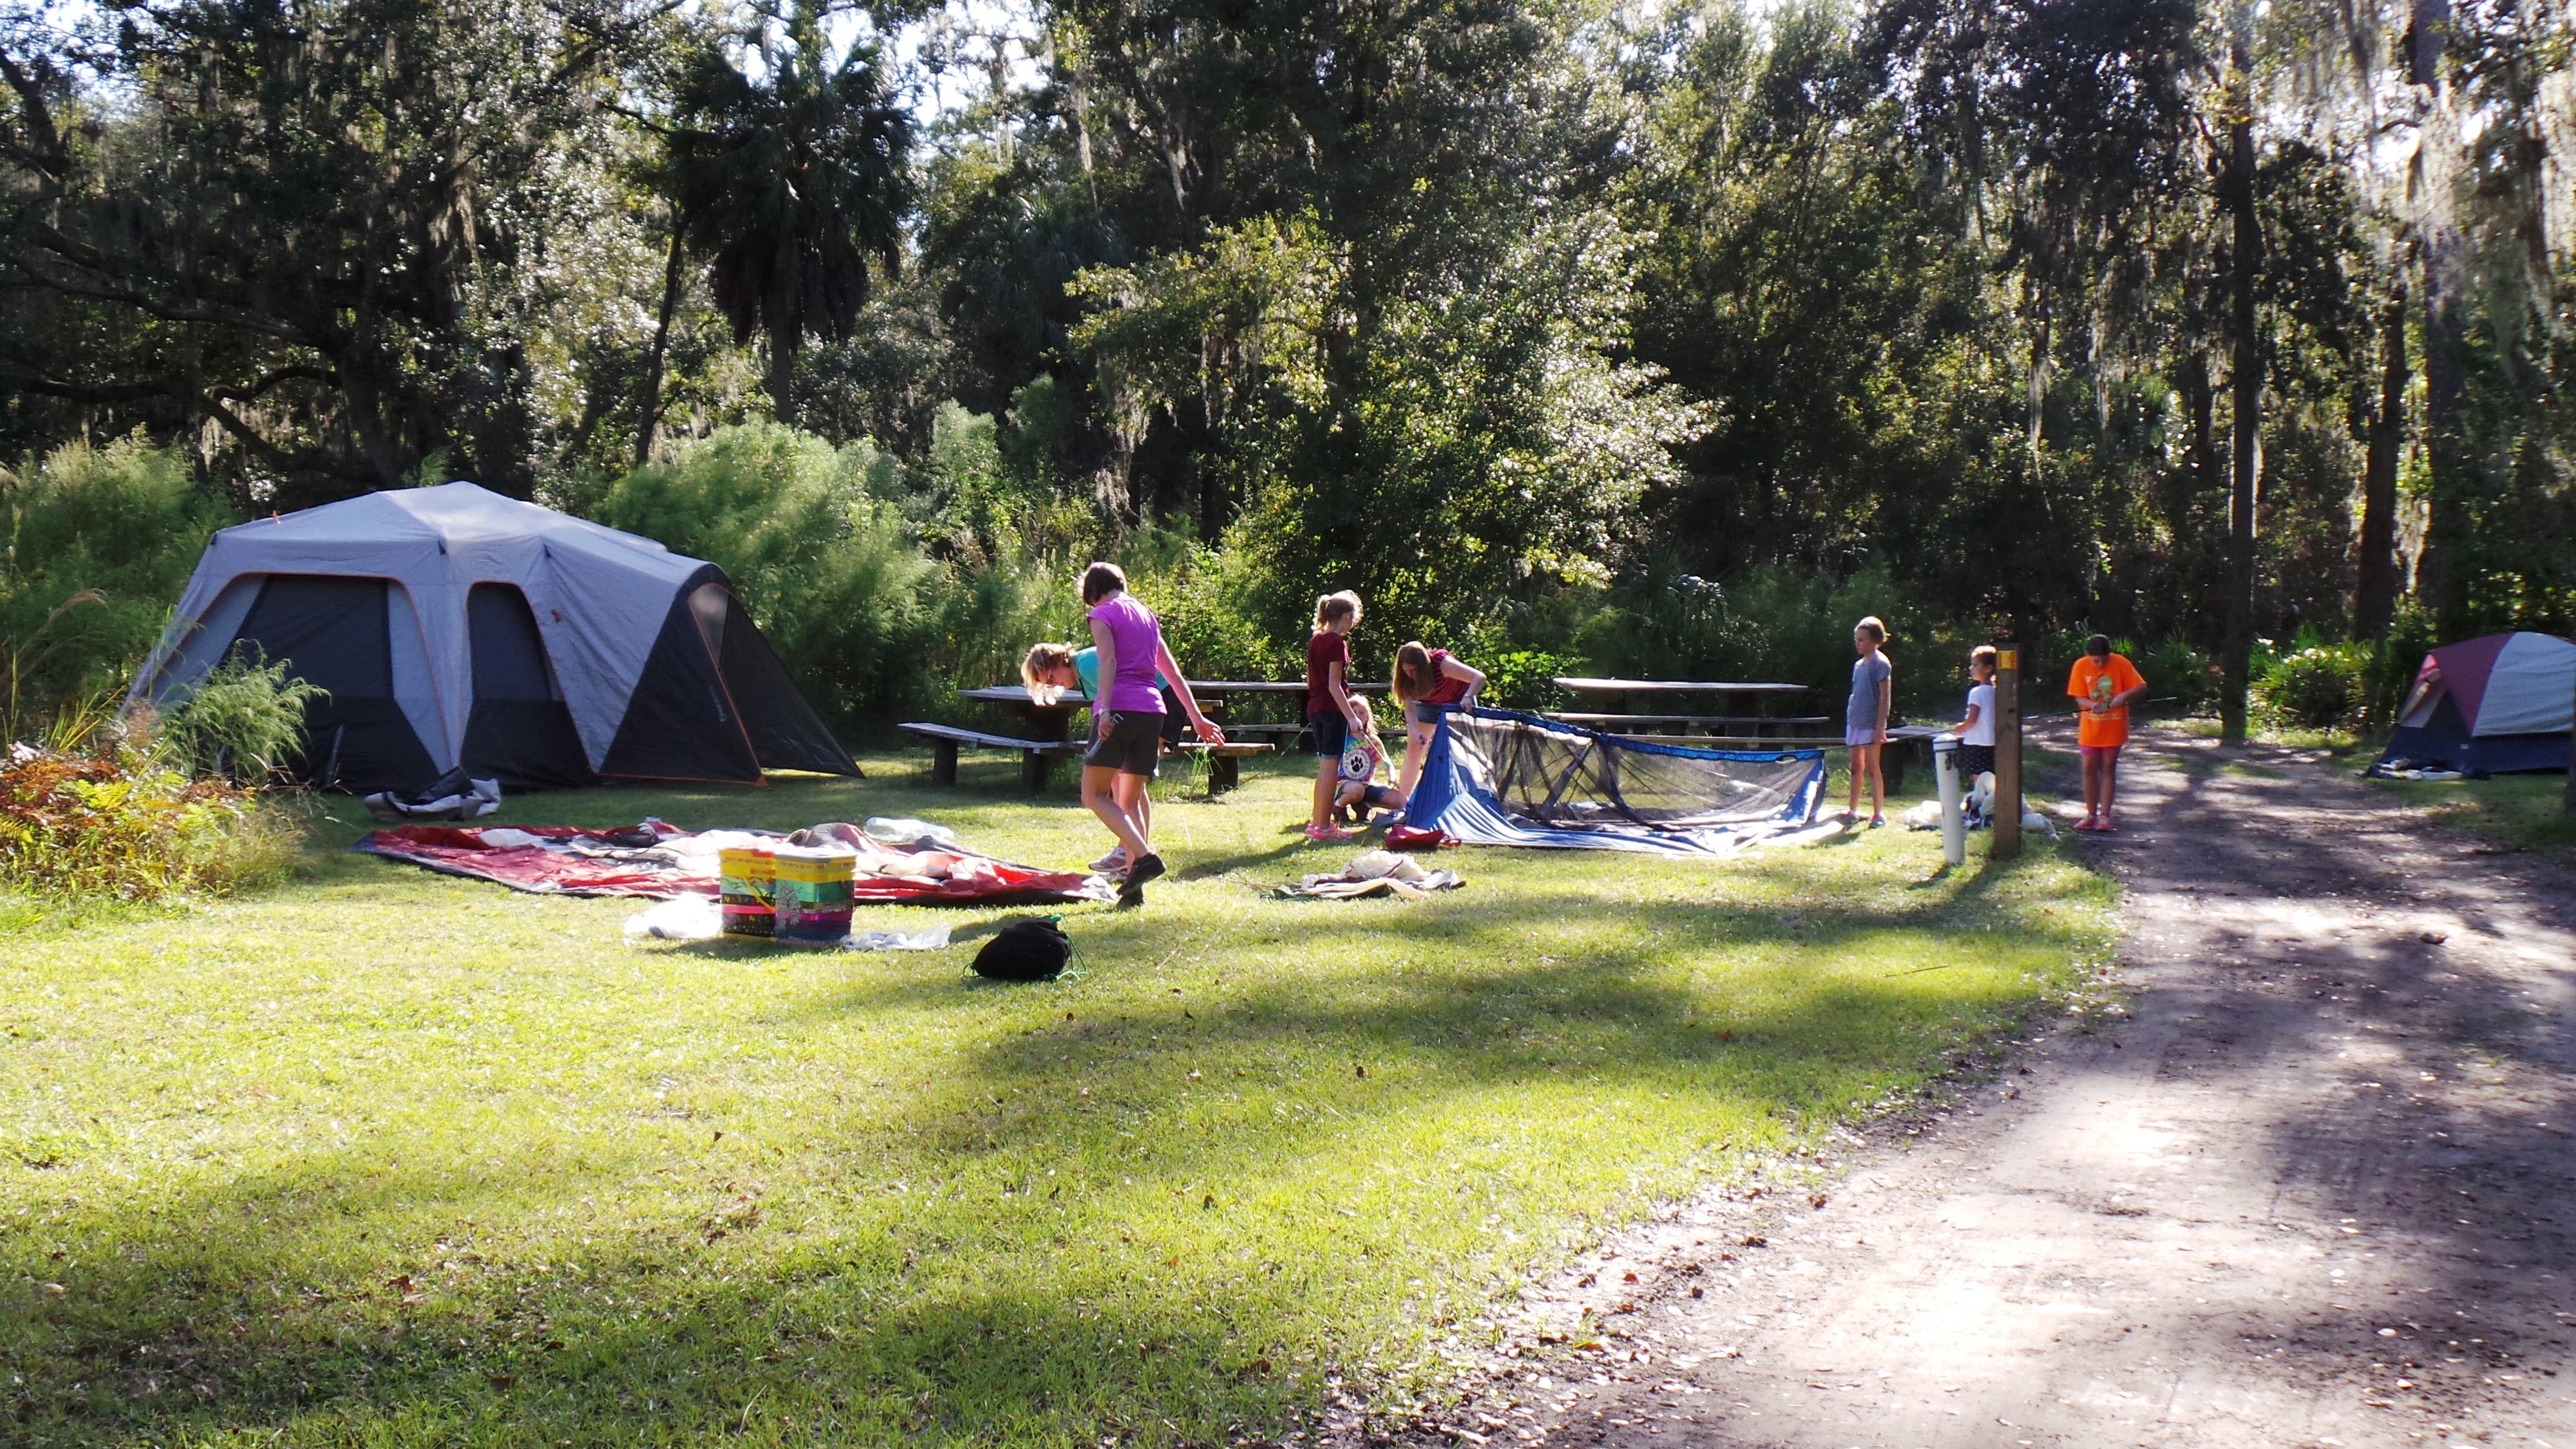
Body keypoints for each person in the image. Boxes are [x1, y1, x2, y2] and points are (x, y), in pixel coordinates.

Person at [1072, 562, 1221, 904]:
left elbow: (1107, 662)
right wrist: (1196, 718)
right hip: (1153, 712)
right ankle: (1134, 890)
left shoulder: (1104, 614)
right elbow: (1172, 672)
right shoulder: (1146, 616)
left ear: (1093, 592)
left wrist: (1106, 709)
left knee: (1094, 795)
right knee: (1129, 802)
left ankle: (1145, 857)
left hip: (1120, 709)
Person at [1021, 641, 1183, 874]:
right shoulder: (1083, 672)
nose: (1053, 684)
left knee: (1128, 783)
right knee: (1127, 782)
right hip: (1145, 707)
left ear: (1057, 662)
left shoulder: (1087, 664)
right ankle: (1131, 853)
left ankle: (1135, 855)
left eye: (1049, 678)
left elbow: (1122, 693)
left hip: (1158, 701)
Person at [1304, 591, 1369, 842]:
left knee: (1324, 767)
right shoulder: (1336, 643)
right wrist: (1352, 716)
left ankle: (1317, 823)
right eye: (1353, 617)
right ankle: (1323, 828)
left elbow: (1314, 681)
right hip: (1332, 711)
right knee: (1331, 768)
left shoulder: (1315, 640)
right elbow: (1335, 686)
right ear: (1346, 615)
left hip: (1315, 709)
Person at [2067, 633, 2148, 833]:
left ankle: (2105, 817)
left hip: (2114, 727)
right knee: (2088, 769)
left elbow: (2141, 687)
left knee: (2108, 769)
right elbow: (2079, 698)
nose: (2101, 664)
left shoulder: (2121, 663)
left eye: (2104, 660)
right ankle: (2090, 814)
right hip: (2090, 729)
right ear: (2089, 655)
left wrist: (2124, 696)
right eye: (2096, 660)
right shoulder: (2080, 666)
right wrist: (2093, 705)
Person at [1390, 641, 1486, 804]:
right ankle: (1401, 803)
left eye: (1413, 670)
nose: (1410, 674)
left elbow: (1479, 677)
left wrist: (1468, 696)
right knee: (1415, 748)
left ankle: (1479, 798)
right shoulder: (1405, 678)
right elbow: (1410, 709)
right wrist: (1415, 731)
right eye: (1406, 670)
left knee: (1468, 753)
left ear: (1423, 665)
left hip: (1459, 702)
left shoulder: (1443, 664)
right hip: (1431, 705)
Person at [1845, 616, 1893, 827]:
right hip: (1854, 722)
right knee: (1856, 767)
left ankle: (1878, 813)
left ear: (1875, 640)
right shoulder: (1858, 665)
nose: (1858, 643)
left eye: (1862, 640)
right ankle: (1852, 810)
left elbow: (1885, 698)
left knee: (1873, 768)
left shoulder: (1881, 664)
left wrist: (1880, 727)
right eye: (1857, 640)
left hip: (1872, 725)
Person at [1332, 695, 1403, 825]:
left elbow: (1386, 763)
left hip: (1367, 785)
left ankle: (1363, 805)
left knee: (1401, 800)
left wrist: (1392, 777)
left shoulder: (1373, 740)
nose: (1358, 716)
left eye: (1362, 712)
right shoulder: (1340, 739)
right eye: (1354, 713)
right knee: (1357, 790)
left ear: (1368, 715)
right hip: (1343, 785)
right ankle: (1337, 806)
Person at [1955, 645, 1998, 784]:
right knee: (1992, 779)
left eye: (1975, 665)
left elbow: (1972, 720)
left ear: (1988, 668)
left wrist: (1961, 727)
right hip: (1993, 743)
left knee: (1979, 780)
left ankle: (1981, 803)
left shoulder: (1977, 692)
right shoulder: (1998, 692)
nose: (1971, 668)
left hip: (1977, 743)